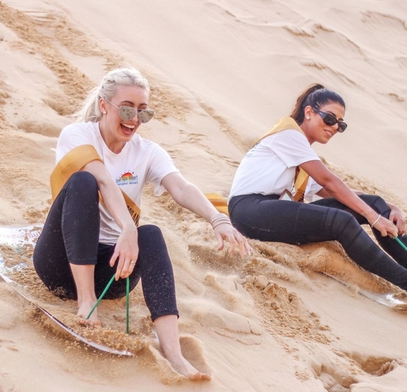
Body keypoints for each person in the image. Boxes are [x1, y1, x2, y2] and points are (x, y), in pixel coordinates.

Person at [32, 67, 252, 381]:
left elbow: (181, 188)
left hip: (110, 274)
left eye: (142, 112)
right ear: (104, 105)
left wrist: (217, 218)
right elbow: (105, 182)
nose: (134, 119)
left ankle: (174, 353)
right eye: (126, 108)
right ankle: (85, 301)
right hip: (58, 264)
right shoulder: (77, 135)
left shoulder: (147, 153)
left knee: (152, 234)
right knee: (83, 181)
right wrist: (127, 228)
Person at [227, 84, 407, 302]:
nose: (334, 127)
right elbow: (328, 179)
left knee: (375, 204)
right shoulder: (288, 135)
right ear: (308, 112)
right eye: (329, 118)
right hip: (249, 211)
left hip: (275, 211)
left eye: (340, 124)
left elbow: (330, 189)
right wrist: (373, 217)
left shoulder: (300, 154)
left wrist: (387, 208)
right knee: (343, 220)